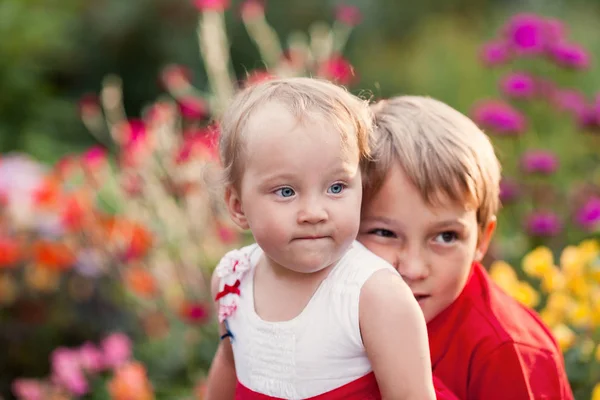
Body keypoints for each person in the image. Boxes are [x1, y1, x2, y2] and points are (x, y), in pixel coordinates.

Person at [205, 78, 435, 400]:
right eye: (286, 191)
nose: (314, 212)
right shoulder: (232, 279)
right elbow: (229, 366)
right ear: (238, 206)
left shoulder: (373, 296)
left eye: (336, 187)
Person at [359, 95, 574, 399]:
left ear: (482, 239)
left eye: (445, 237)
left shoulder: (508, 353)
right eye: (384, 232)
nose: (413, 268)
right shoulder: (323, 302)